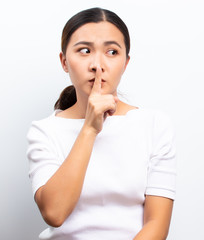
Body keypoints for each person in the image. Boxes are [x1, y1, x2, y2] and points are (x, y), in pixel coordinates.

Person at [26, 7, 176, 240]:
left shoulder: (154, 125)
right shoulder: (44, 131)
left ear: (125, 63)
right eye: (84, 51)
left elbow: (157, 224)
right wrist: (90, 128)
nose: (98, 64)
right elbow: (54, 213)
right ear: (64, 61)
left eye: (112, 52)